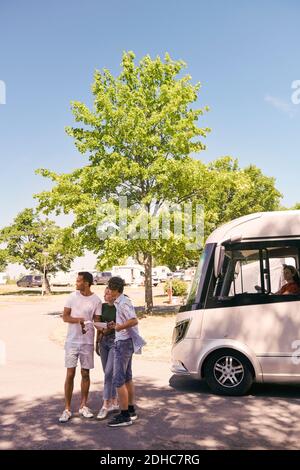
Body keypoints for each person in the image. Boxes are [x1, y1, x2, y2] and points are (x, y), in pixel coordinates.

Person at [59, 271, 102, 423]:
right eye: (77, 281)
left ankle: (83, 406)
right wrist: (79, 320)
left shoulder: (96, 300)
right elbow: (65, 317)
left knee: (85, 374)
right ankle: (67, 409)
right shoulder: (72, 297)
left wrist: (99, 340)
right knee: (70, 374)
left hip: (87, 342)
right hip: (72, 341)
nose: (76, 283)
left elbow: (97, 322)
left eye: (79, 281)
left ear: (87, 283)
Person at [106, 276, 145, 428]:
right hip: (125, 342)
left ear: (115, 289)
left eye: (109, 288)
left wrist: (119, 327)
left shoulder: (122, 303)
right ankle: (130, 410)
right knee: (127, 378)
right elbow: (126, 320)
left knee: (118, 380)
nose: (107, 290)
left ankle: (124, 416)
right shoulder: (121, 301)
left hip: (123, 344)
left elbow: (134, 320)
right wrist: (116, 325)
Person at [95, 287, 119, 420]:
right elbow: (97, 324)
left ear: (115, 295)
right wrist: (97, 342)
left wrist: (107, 328)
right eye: (105, 293)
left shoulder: (118, 308)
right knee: (107, 373)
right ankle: (114, 401)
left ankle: (105, 405)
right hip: (103, 341)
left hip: (115, 341)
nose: (105, 295)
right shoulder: (102, 306)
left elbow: (116, 326)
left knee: (109, 372)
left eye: (108, 293)